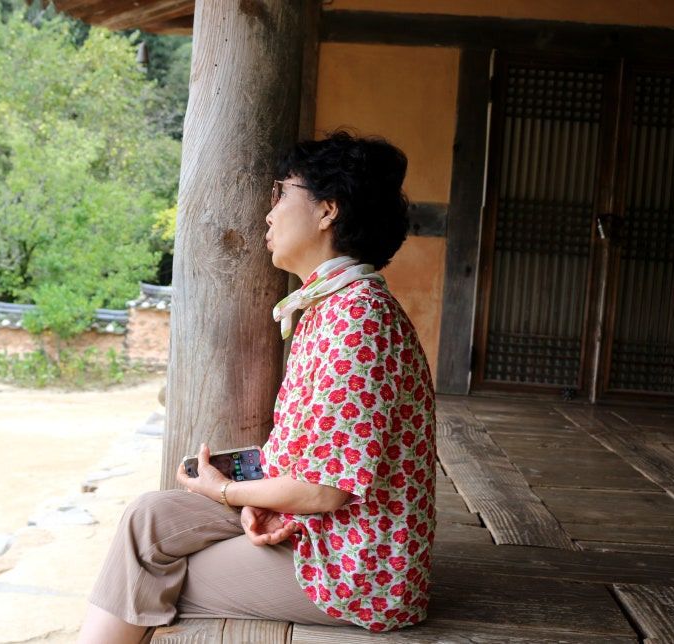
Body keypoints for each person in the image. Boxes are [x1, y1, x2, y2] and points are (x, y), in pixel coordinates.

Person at [78, 131, 436, 643]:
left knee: (146, 572)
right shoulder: (333, 305)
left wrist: (225, 491)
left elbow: (324, 490)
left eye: (282, 193)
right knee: (146, 517)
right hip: (314, 529)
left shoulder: (358, 317)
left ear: (328, 209)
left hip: (355, 567)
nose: (268, 215)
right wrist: (257, 501)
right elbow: (316, 468)